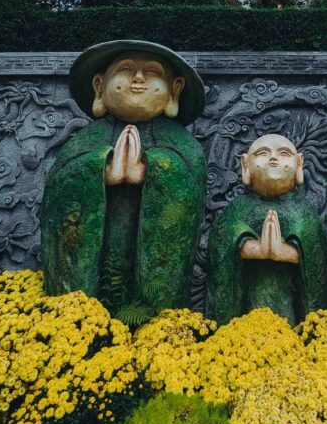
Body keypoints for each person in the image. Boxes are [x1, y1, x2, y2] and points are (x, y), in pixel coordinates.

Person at [40, 40, 207, 323]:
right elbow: (57, 193)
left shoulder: (184, 145)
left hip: (147, 269)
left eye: (153, 72)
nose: (139, 79)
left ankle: (153, 322)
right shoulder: (86, 140)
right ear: (99, 86)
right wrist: (99, 171)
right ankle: (81, 325)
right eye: (126, 70)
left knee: (153, 316)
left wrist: (156, 172)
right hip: (99, 258)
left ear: (174, 90)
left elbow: (190, 193)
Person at [205, 133, 327, 324]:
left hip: (290, 299)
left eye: (283, 153)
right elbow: (222, 244)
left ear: (299, 164)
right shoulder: (238, 209)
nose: (273, 158)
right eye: (263, 153)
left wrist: (285, 252)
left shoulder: (303, 211)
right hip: (248, 299)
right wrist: (254, 249)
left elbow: (315, 253)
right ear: (245, 165)